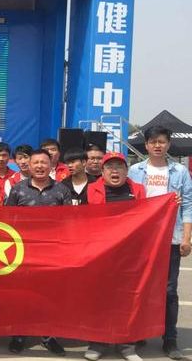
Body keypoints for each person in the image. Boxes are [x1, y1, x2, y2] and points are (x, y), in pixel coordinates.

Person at [128, 126, 192, 360]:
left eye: (162, 141)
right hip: (142, 239)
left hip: (170, 238)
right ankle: (140, 332)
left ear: (168, 144)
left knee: (169, 290)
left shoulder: (180, 171)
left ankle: (170, 338)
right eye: (153, 141)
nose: (157, 145)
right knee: (140, 287)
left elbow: (188, 206)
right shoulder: (135, 170)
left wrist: (186, 238)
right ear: (146, 145)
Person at [6, 149, 72, 355]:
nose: (40, 166)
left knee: (49, 295)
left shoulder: (62, 190)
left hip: (52, 252)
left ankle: (48, 335)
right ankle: (19, 334)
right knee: (21, 295)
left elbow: (70, 221)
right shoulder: (17, 189)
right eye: (36, 162)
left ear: (51, 165)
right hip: (23, 252)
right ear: (29, 165)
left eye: (44, 162)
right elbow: (7, 220)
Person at [85, 152, 146, 361]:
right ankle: (98, 342)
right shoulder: (91, 189)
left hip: (129, 255)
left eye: (119, 166)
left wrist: (171, 202)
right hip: (101, 253)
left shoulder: (138, 190)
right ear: (102, 172)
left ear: (126, 170)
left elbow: (147, 215)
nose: (115, 171)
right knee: (99, 298)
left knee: (126, 299)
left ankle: (126, 345)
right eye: (110, 167)